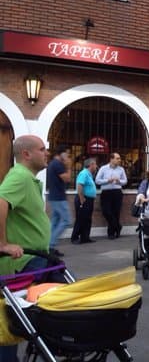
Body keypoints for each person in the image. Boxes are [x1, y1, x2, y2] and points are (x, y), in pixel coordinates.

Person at [0, 135, 51, 361]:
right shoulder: (19, 176)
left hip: (35, 258)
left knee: (17, 318)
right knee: (17, 318)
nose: (46, 152)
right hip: (24, 262)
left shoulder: (28, 179)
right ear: (26, 154)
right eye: (42, 149)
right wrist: (2, 244)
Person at [47, 145, 72, 257]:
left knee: (55, 222)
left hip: (55, 196)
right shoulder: (57, 164)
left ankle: (48, 246)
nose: (67, 156)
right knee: (66, 220)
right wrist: (69, 166)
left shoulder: (53, 163)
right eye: (66, 153)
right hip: (58, 197)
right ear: (61, 154)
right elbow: (67, 178)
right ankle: (51, 244)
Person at [95, 152, 128, 239]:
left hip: (117, 192)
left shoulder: (121, 169)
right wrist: (107, 180)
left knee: (116, 212)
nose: (119, 160)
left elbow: (125, 181)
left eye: (119, 158)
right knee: (106, 212)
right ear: (111, 159)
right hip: (106, 192)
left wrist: (119, 181)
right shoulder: (103, 168)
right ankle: (117, 226)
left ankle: (112, 233)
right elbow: (97, 180)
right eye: (117, 158)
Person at [71, 158, 98, 244]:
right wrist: (82, 198)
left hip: (89, 199)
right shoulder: (84, 173)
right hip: (83, 199)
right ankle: (75, 237)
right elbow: (79, 185)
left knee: (87, 219)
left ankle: (85, 237)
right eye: (95, 164)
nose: (96, 166)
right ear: (91, 165)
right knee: (81, 218)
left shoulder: (89, 174)